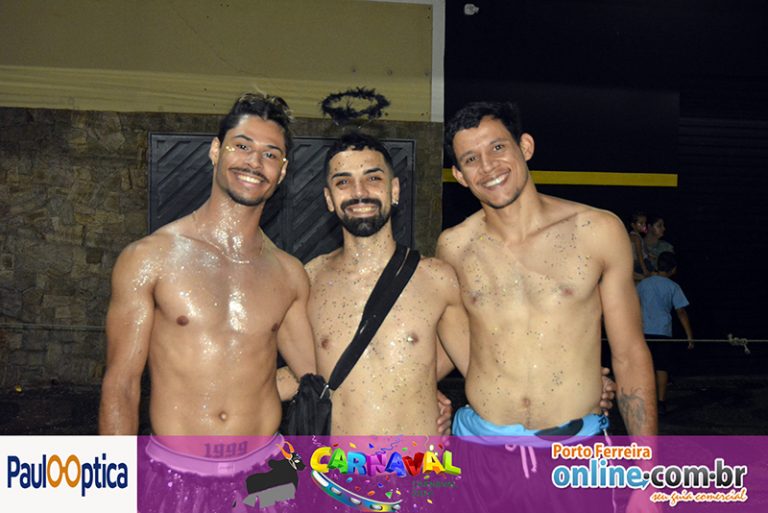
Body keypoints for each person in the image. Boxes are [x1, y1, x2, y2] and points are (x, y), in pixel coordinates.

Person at [99, 93, 316, 511]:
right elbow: (121, 386)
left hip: (265, 481)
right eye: (242, 145)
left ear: (283, 170)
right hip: (174, 479)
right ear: (216, 151)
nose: (254, 162)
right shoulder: (150, 258)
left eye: (270, 154)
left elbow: (313, 376)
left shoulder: (289, 274)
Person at [437, 101, 656, 512]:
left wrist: (646, 478)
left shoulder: (596, 231)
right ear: (460, 176)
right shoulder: (454, 247)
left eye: (497, 148)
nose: (488, 166)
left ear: (525, 146)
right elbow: (455, 336)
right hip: (481, 454)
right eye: (471, 159)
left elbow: (629, 354)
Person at [304, 131, 469, 435]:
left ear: (394, 190)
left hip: (419, 460)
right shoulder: (309, 281)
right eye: (343, 182)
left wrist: (424, 390)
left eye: (373, 178)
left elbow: (479, 367)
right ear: (329, 199)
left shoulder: (437, 279)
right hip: (338, 462)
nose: (359, 192)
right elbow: (304, 369)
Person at [637, 251, 693, 415]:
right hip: (662, 331)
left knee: (644, 367)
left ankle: (645, 401)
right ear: (673, 269)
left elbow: (633, 304)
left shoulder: (644, 284)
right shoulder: (673, 286)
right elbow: (681, 311)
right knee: (662, 367)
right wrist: (689, 336)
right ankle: (661, 402)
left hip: (643, 331)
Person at [629, 211, 652, 281]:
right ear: (633, 225)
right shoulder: (636, 238)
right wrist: (644, 270)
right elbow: (639, 255)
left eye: (645, 223)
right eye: (641, 223)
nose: (644, 225)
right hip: (640, 264)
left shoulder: (633, 236)